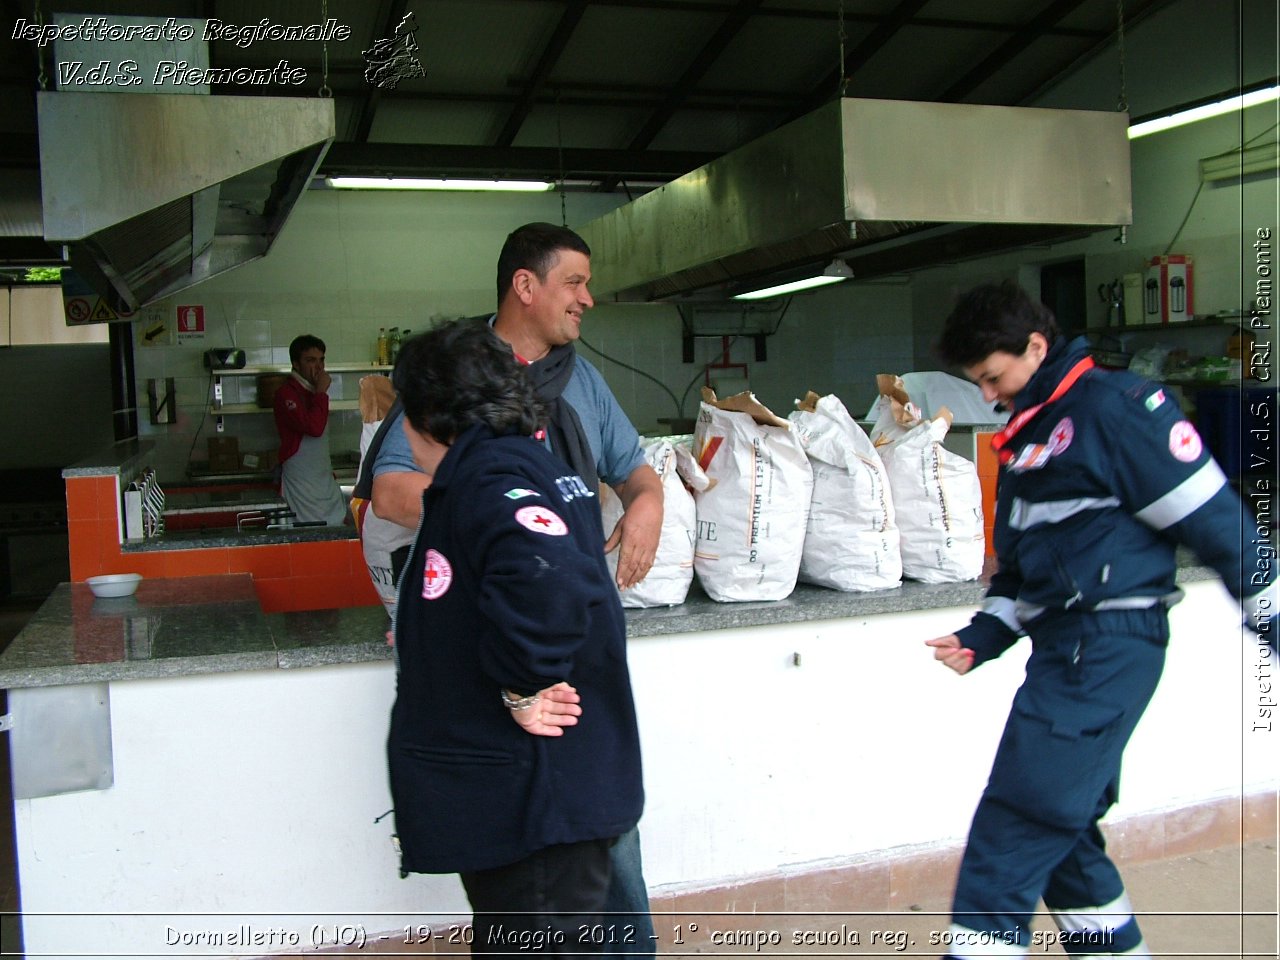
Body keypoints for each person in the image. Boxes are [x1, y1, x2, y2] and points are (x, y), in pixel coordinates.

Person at [924, 281, 1276, 959]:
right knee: (1065, 835)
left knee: (1014, 830)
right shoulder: (1026, 439)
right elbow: (1022, 572)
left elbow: (1222, 526)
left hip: (1108, 648)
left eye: (994, 378)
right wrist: (983, 636)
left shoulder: (1118, 408)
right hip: (1064, 652)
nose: (991, 396)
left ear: (1034, 346)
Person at [369, 224, 662, 953]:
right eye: (575, 282)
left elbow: (561, 560)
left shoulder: (516, 452)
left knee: (574, 881)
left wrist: (646, 505)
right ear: (524, 286)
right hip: (535, 734)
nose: (587, 299)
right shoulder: (480, 427)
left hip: (546, 730)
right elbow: (394, 495)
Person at [274, 334, 347, 526]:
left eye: (321, 360)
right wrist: (321, 393)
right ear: (296, 364)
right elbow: (313, 428)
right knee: (305, 533)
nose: (319, 366)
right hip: (300, 483)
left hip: (322, 479)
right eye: (310, 360)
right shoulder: (286, 394)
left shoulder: (313, 392)